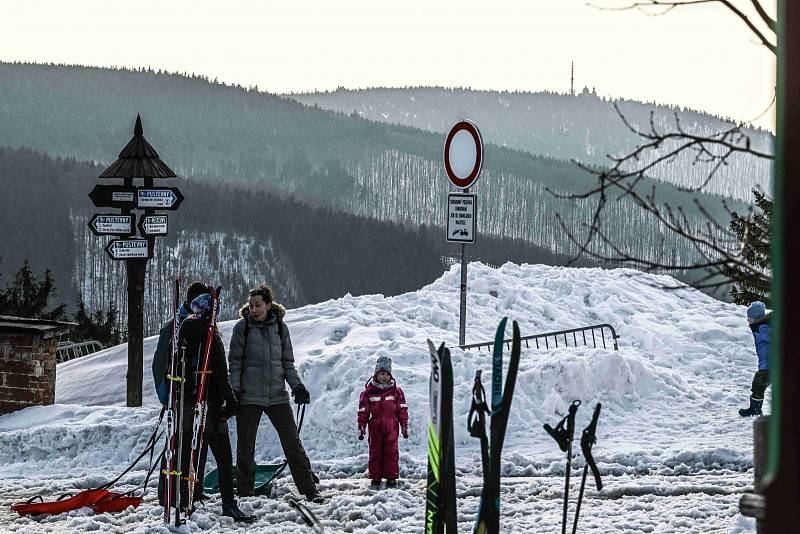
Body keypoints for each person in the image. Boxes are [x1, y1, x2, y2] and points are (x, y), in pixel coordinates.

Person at [228, 285, 323, 503]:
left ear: (268, 305)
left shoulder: (281, 328)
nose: (253, 309)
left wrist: (297, 387)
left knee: (293, 443)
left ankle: (309, 490)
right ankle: (245, 492)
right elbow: (235, 364)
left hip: (277, 396)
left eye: (258, 305)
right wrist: (234, 392)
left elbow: (287, 364)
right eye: (251, 305)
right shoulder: (241, 329)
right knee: (246, 446)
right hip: (249, 396)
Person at [357, 356, 409, 488]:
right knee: (376, 452)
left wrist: (404, 425)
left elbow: (402, 409)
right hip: (375, 428)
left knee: (391, 452)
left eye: (387, 374)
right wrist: (361, 426)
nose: (384, 377)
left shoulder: (396, 392)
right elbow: (363, 411)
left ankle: (391, 477)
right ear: (376, 374)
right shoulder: (368, 393)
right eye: (381, 374)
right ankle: (376, 477)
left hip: (391, 427)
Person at [739, 301, 772, 417]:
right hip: (767, 364)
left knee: (758, 385)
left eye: (750, 317)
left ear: (756, 318)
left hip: (769, 365)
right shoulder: (760, 327)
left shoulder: (762, 328)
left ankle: (755, 410)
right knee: (759, 386)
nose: (747, 319)